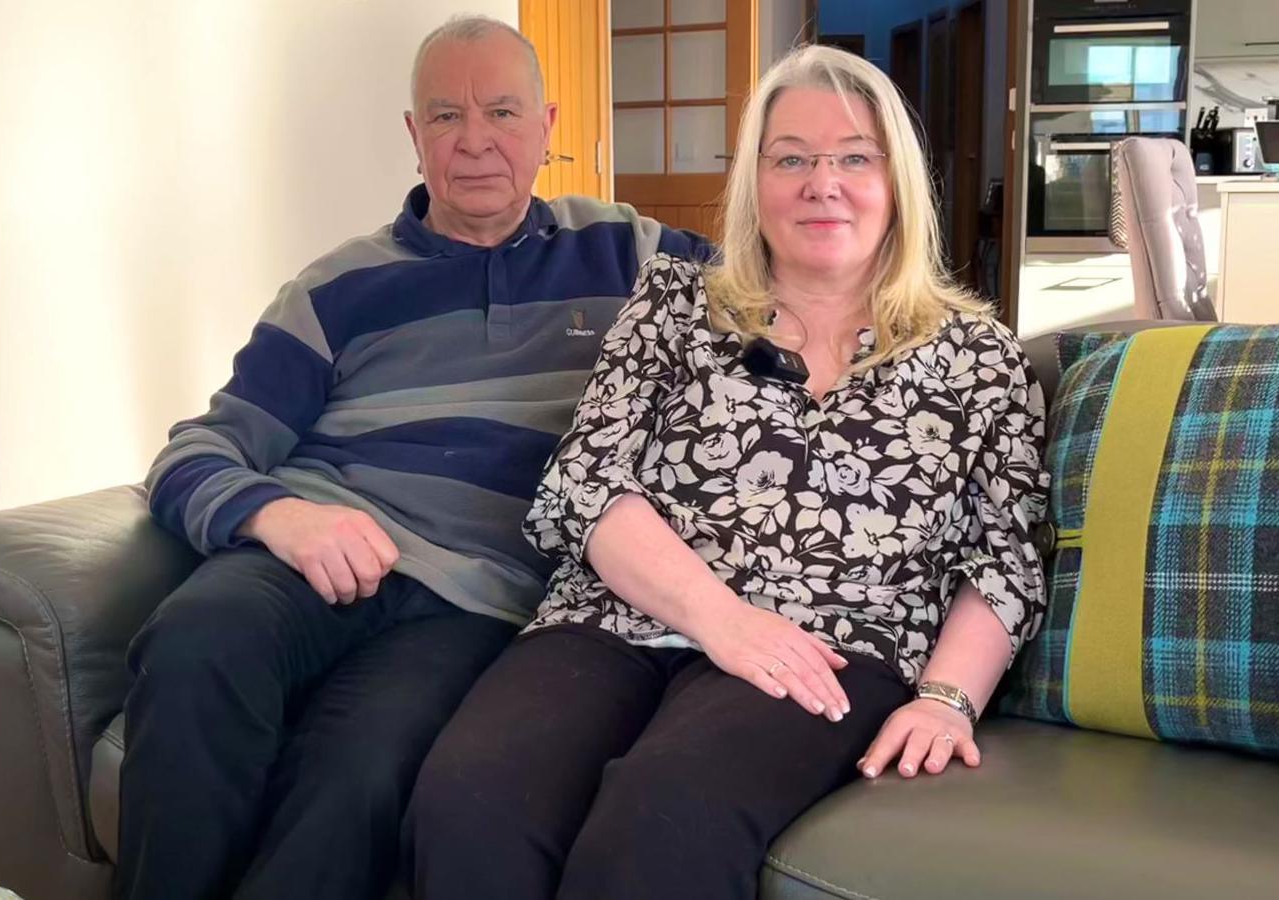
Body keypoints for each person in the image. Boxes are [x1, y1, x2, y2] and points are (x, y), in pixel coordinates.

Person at [405, 44, 1050, 900]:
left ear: (897, 181)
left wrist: (944, 700)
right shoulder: (674, 302)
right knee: (469, 800)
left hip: (827, 646)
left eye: (855, 156)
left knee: (663, 822)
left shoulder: (980, 358)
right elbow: (588, 484)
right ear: (756, 181)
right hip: (616, 617)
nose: (823, 182)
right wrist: (724, 621)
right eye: (791, 158)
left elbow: (1003, 562)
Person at [119, 14, 709, 900]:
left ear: (548, 125)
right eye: (445, 116)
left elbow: (788, 289)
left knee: (362, 774)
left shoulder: (631, 253)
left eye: (503, 113)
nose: (474, 142)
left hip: (471, 599)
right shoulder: (336, 286)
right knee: (194, 643)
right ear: (413, 134)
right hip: (311, 556)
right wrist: (282, 516)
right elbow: (196, 452)